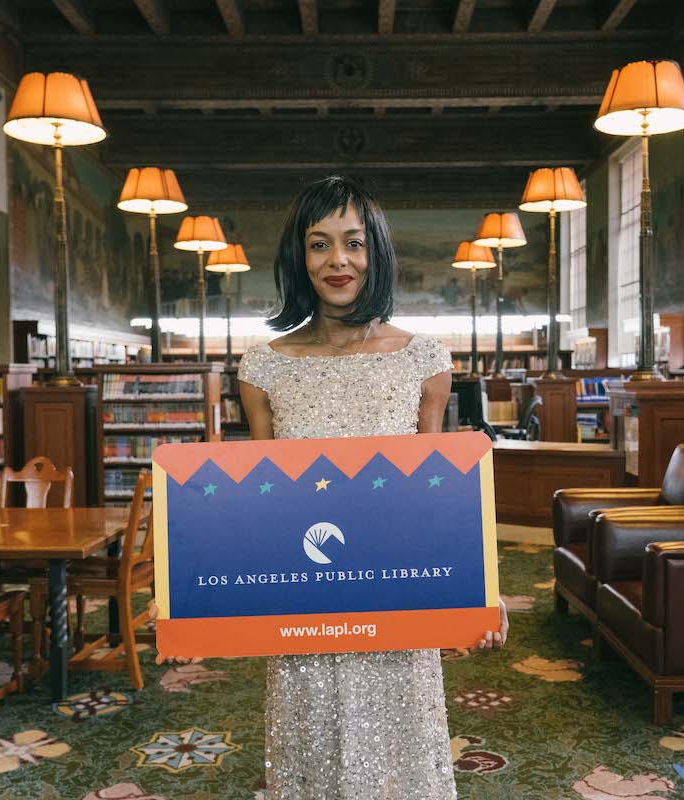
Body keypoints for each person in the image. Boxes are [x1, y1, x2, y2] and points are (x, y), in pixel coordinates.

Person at [156, 176, 508, 799]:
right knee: (312, 751)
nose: (337, 260)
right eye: (319, 244)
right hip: (302, 610)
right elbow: (256, 506)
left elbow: (438, 495)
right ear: (300, 256)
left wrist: (483, 587)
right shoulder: (263, 367)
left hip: (397, 599)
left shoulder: (423, 359)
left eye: (353, 242)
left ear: (376, 252)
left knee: (398, 763)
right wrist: (190, 603)